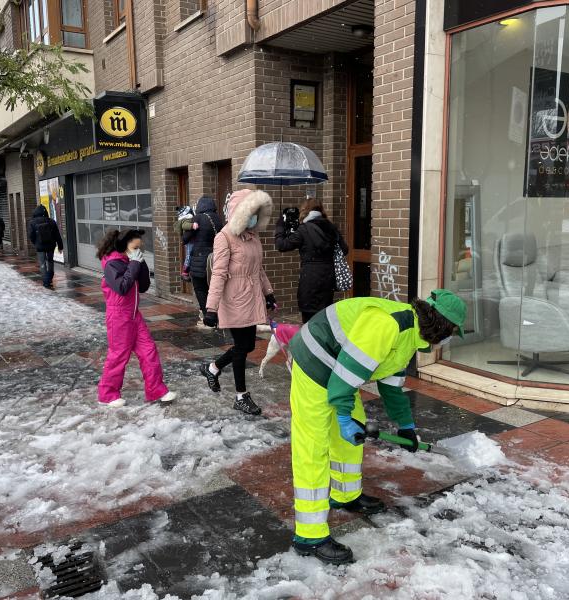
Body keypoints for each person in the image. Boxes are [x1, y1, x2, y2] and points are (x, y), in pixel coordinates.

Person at [286, 290, 466, 564]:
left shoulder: (410, 336)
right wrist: (343, 419)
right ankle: (309, 536)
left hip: (338, 370)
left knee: (350, 439)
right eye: (452, 331)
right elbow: (342, 383)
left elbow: (392, 388)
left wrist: (406, 426)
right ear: (442, 324)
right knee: (313, 447)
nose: (449, 338)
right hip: (315, 361)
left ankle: (345, 496)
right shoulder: (388, 325)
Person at [199, 189, 274, 416]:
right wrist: (210, 309)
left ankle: (213, 368)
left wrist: (268, 292)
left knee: (249, 345)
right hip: (233, 299)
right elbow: (219, 273)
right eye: (250, 212)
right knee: (242, 348)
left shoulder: (253, 236)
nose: (253, 217)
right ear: (239, 212)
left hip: (251, 298)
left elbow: (258, 269)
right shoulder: (224, 237)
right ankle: (241, 396)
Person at [97, 228, 176, 407]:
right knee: (118, 356)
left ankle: (156, 390)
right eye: (136, 245)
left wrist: (141, 264)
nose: (139, 247)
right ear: (126, 245)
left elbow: (143, 287)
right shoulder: (112, 264)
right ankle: (107, 393)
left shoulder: (130, 260)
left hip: (134, 315)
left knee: (149, 350)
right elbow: (122, 287)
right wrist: (133, 264)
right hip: (118, 316)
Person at [275, 199, 348, 323]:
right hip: (328, 277)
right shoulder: (331, 227)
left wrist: (280, 226)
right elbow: (344, 249)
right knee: (324, 316)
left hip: (309, 277)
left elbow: (282, 245)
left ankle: (310, 340)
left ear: (305, 211)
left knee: (309, 316)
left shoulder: (304, 229)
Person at [182, 196, 223, 325]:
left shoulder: (198, 218)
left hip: (199, 261)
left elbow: (185, 239)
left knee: (200, 289)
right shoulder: (218, 219)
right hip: (215, 259)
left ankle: (208, 318)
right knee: (214, 288)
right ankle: (218, 315)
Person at [27, 205, 64, 289]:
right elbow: (57, 235)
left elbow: (31, 236)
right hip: (50, 246)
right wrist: (60, 246)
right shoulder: (51, 221)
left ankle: (45, 281)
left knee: (42, 263)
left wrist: (35, 243)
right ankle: (50, 277)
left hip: (40, 247)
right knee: (50, 261)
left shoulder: (32, 222)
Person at [174, 205, 195, 281]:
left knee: (190, 255)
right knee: (189, 255)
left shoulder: (186, 218)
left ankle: (187, 271)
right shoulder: (186, 219)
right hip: (190, 241)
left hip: (190, 241)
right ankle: (185, 272)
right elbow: (185, 226)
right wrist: (193, 225)